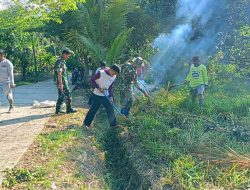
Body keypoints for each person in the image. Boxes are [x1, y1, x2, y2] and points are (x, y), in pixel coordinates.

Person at [83, 64, 120, 129]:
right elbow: (92, 80)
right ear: (111, 70)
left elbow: (110, 87)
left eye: (116, 74)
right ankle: (86, 124)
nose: (114, 75)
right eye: (114, 73)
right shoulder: (101, 73)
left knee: (110, 110)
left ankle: (113, 125)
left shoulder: (114, 76)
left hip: (106, 95)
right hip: (97, 95)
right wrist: (98, 88)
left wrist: (111, 96)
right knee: (93, 110)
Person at [54, 48, 77, 114]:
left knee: (61, 95)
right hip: (62, 82)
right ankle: (69, 109)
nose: (68, 57)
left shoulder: (62, 61)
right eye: (68, 56)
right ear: (64, 54)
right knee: (68, 94)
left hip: (62, 82)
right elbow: (59, 73)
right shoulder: (60, 62)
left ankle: (58, 110)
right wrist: (61, 84)